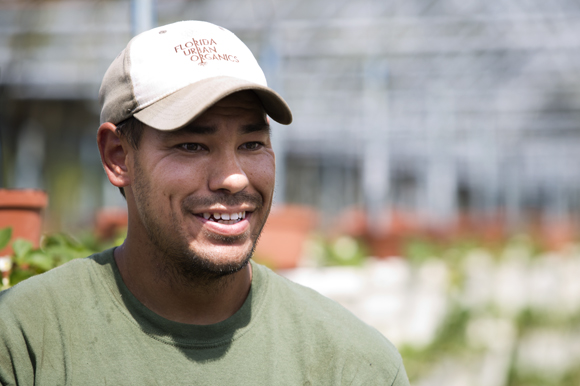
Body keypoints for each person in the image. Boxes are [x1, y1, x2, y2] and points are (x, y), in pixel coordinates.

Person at [0, 21, 409, 385]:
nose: (233, 177)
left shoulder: (354, 365)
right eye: (192, 145)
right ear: (117, 157)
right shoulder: (25, 341)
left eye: (252, 144)